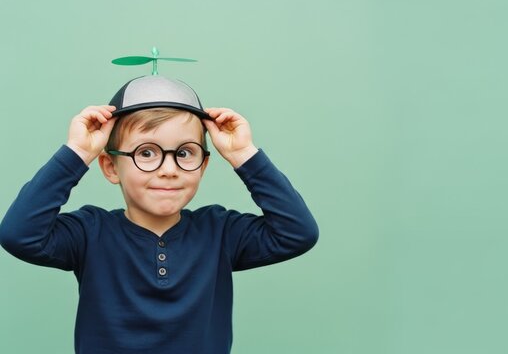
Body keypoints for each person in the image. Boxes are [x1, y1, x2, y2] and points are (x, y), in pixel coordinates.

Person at [0, 76, 319, 354]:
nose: (169, 170)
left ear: (204, 165)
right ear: (111, 167)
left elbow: (297, 232)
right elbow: (19, 234)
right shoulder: (90, 232)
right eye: (147, 153)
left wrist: (242, 154)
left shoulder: (220, 231)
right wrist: (77, 153)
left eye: (184, 153)